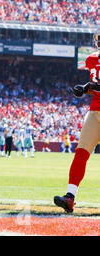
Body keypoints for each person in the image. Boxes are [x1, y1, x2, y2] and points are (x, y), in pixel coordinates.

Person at [54, 33, 100, 213]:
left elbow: (96, 85)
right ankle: (70, 197)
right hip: (95, 112)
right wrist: (85, 90)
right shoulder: (91, 59)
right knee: (81, 152)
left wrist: (89, 87)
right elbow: (95, 86)